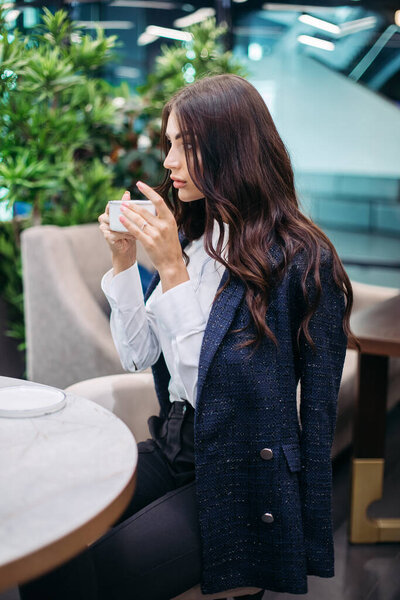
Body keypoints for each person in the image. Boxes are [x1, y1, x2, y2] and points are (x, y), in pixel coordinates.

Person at [20, 74, 353, 600]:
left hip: (243, 470)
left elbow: (263, 402)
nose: (169, 161)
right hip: (176, 443)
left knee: (94, 572)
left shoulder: (302, 260)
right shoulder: (196, 237)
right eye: (169, 143)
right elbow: (139, 355)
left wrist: (172, 274)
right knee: (47, 534)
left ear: (232, 149)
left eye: (186, 145)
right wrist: (126, 263)